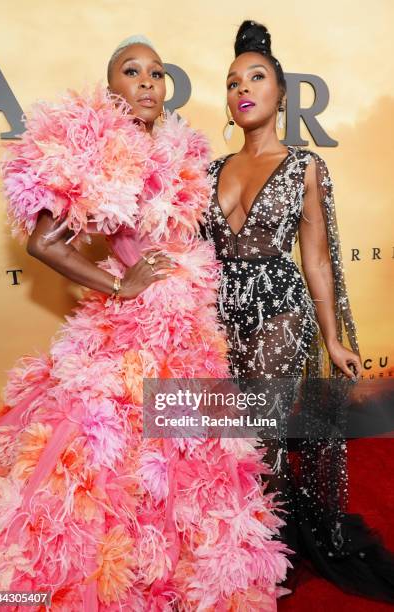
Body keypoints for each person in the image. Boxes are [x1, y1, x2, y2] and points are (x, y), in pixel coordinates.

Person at [0, 36, 291, 610]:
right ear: (112, 87)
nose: (147, 82)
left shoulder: (179, 150)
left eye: (157, 72)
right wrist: (122, 284)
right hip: (132, 329)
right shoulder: (95, 148)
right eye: (132, 71)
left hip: (191, 326)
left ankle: (177, 574)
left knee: (189, 459)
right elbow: (45, 240)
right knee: (108, 455)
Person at [203, 19, 394, 603]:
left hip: (278, 312)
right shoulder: (209, 170)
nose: (243, 88)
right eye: (233, 80)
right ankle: (236, 542)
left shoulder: (303, 164)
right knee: (222, 434)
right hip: (219, 314)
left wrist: (334, 339)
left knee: (262, 433)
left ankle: (271, 549)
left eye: (256, 76)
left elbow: (315, 260)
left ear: (281, 93)